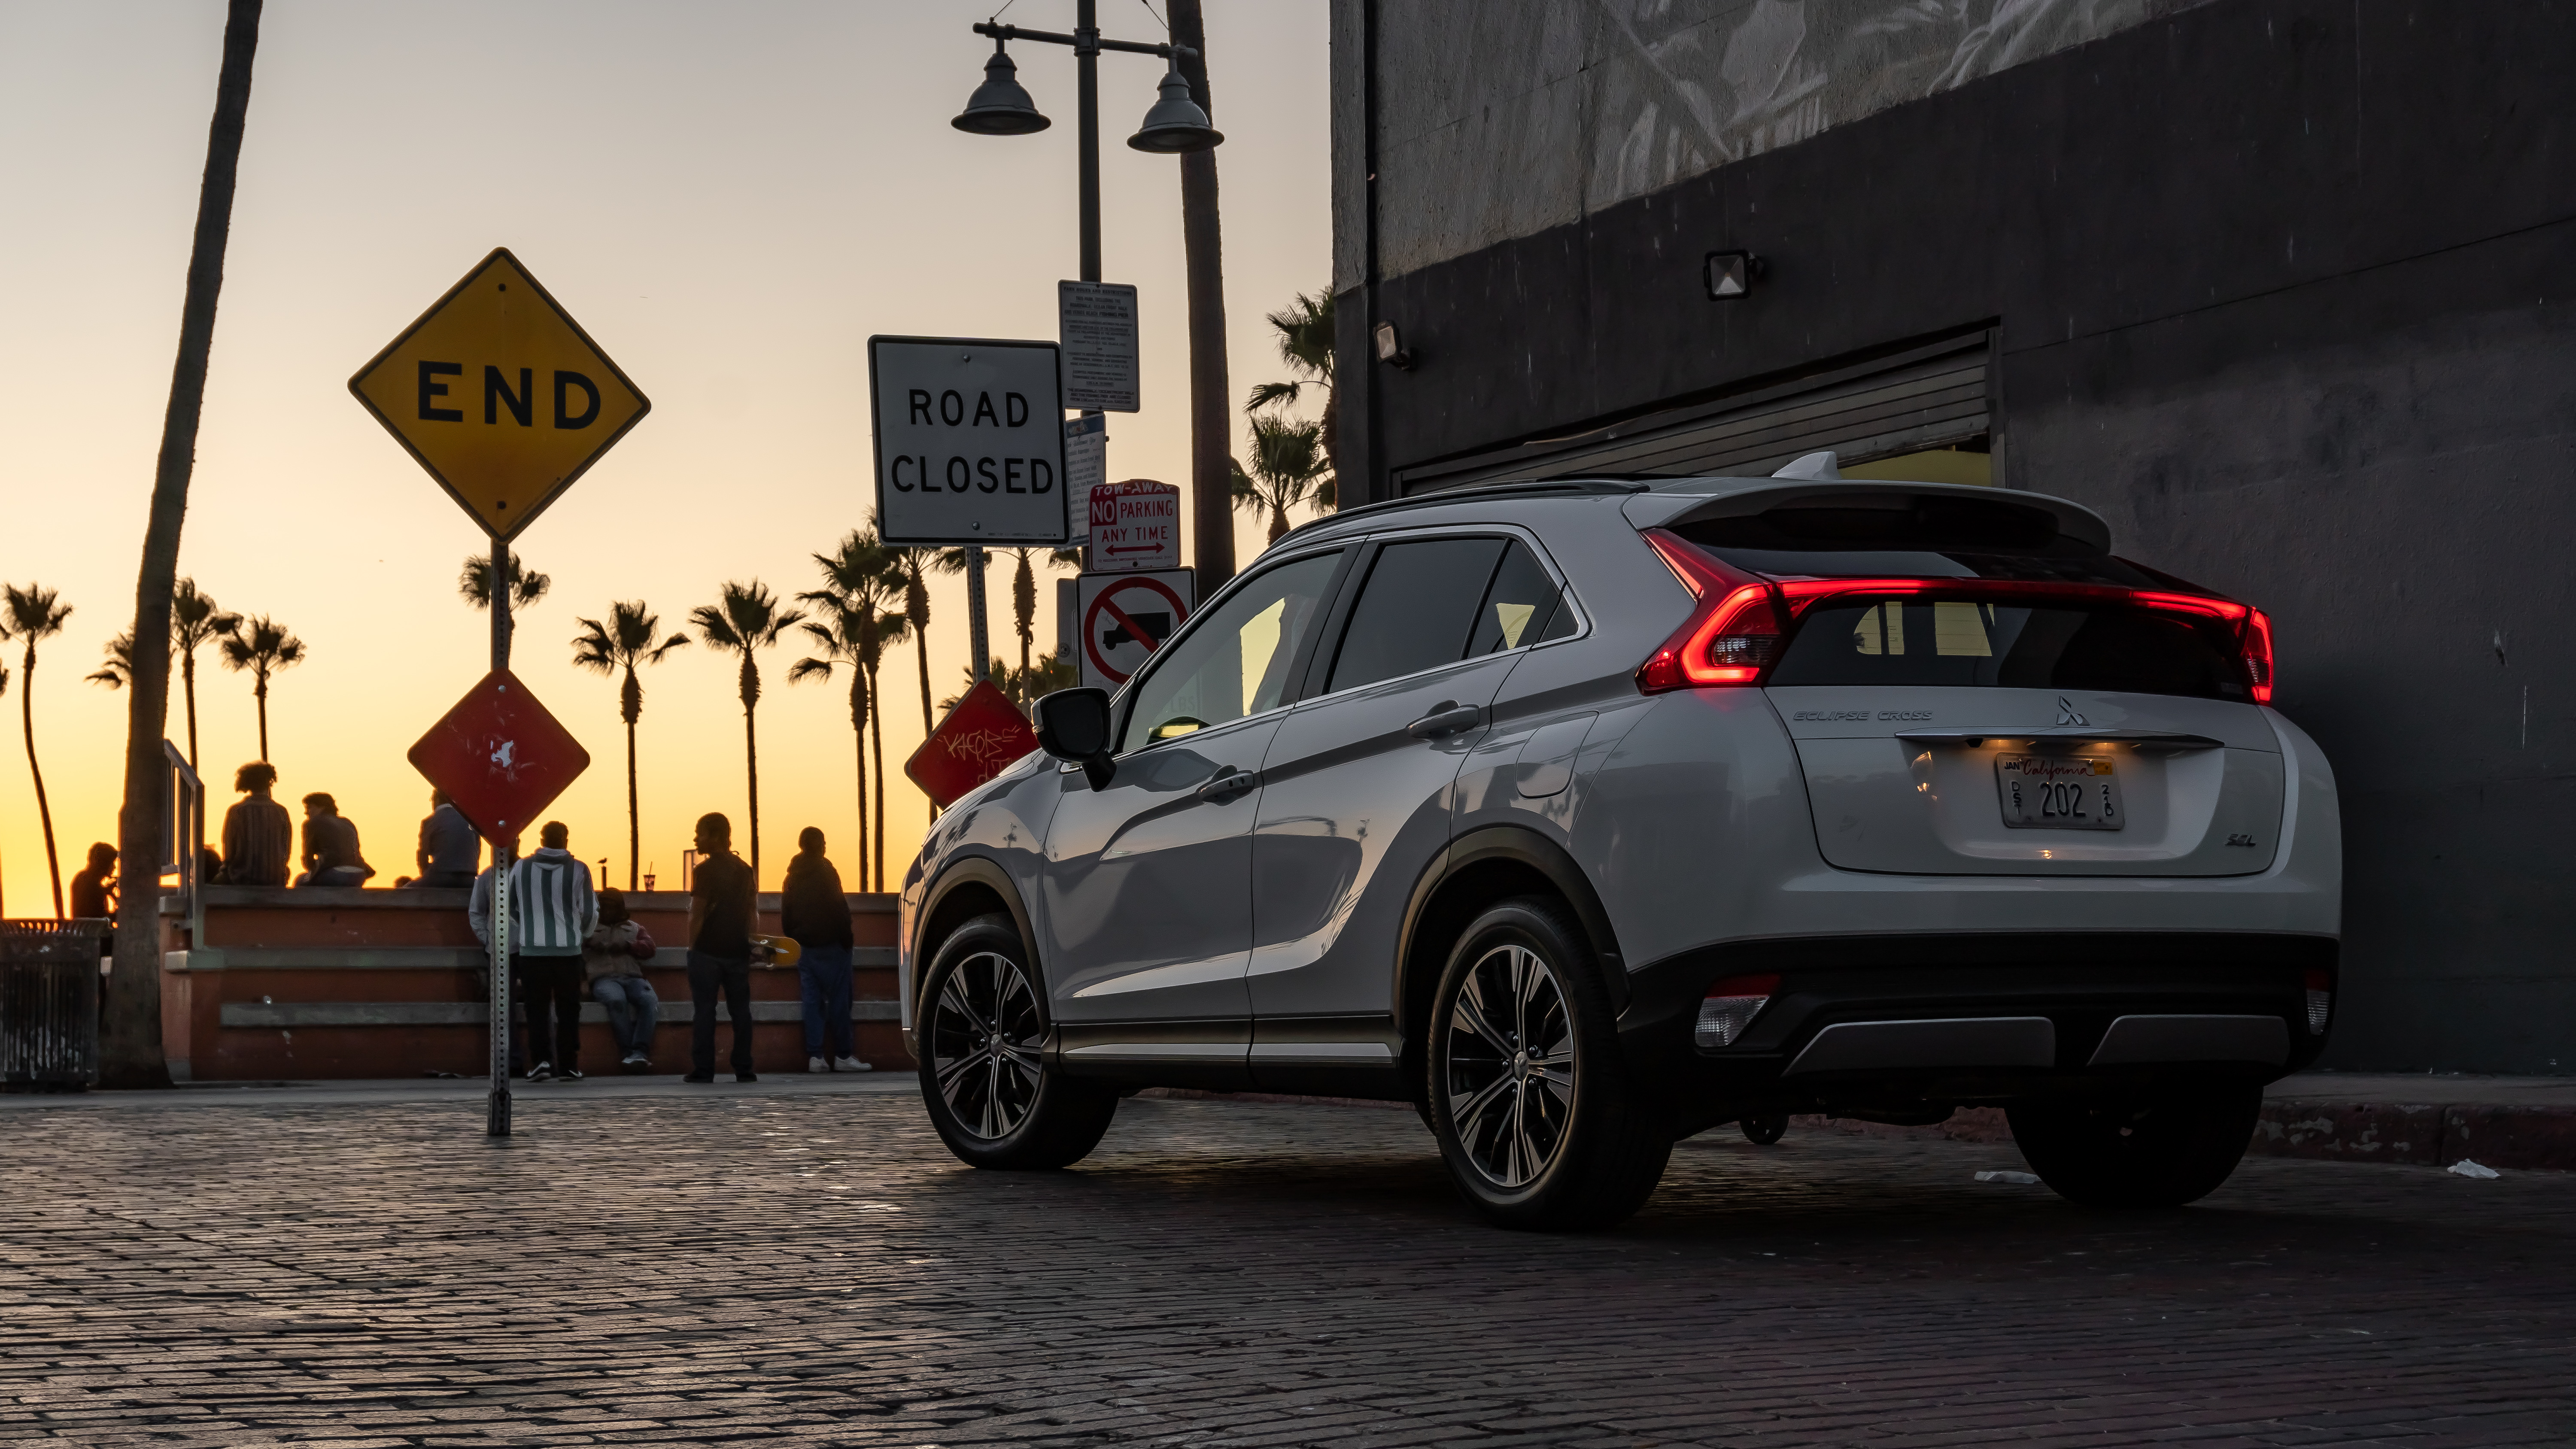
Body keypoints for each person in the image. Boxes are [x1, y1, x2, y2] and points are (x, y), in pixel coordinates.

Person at [493, 821, 596, 1082]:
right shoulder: (579, 870)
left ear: (542, 839)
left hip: (532, 952)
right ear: (566, 840)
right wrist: (579, 935)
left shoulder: (521, 867)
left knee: (536, 1009)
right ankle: (569, 1066)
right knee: (569, 1010)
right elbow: (588, 912)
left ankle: (540, 1062)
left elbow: (509, 905)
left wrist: (528, 925)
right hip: (568, 952)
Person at [782, 826, 869, 1074]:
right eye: (823, 843)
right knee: (840, 1001)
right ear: (819, 845)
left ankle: (815, 1056)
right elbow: (839, 907)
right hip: (833, 947)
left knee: (812, 1002)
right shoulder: (827, 871)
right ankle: (843, 1055)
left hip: (806, 949)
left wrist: (795, 939)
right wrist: (847, 939)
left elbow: (786, 913)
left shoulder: (791, 877)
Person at [684, 812, 758, 1084]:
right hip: (738, 951)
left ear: (716, 837)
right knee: (741, 1012)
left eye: (700, 833)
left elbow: (698, 913)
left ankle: (704, 1071)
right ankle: (745, 1069)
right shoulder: (744, 869)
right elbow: (753, 911)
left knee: (705, 1011)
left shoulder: (703, 871)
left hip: (707, 953)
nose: (696, 839)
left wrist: (692, 948)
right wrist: (751, 942)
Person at [584, 888, 660, 1071]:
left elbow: (650, 948)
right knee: (616, 1000)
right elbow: (575, 956)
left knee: (649, 1000)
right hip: (603, 979)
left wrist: (629, 946)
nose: (609, 911)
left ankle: (639, 1053)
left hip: (633, 978)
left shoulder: (634, 928)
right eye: (605, 907)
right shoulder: (588, 929)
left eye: (613, 907)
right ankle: (628, 1054)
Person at [219, 762, 292, 888]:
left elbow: (229, 851)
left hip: (241, 878)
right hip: (275, 879)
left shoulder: (237, 811)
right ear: (270, 781)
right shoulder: (281, 811)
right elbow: (286, 850)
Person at [295, 793, 374, 888]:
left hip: (336, 875)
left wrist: (312, 874)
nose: (306, 812)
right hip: (358, 875)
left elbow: (308, 859)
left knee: (300, 881)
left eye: (309, 808)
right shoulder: (347, 823)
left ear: (322, 807)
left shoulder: (312, 823)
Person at [413, 787, 479, 888]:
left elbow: (423, 854)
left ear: (437, 799)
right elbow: (477, 851)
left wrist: (426, 876)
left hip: (441, 876)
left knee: (405, 890)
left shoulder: (430, 821)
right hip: (469, 878)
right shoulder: (470, 820)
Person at [69, 843, 117, 920]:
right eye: (113, 863)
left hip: (83, 929)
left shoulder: (81, 878)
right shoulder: (92, 885)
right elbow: (101, 919)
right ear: (104, 863)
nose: (115, 867)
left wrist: (105, 891)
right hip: (92, 930)